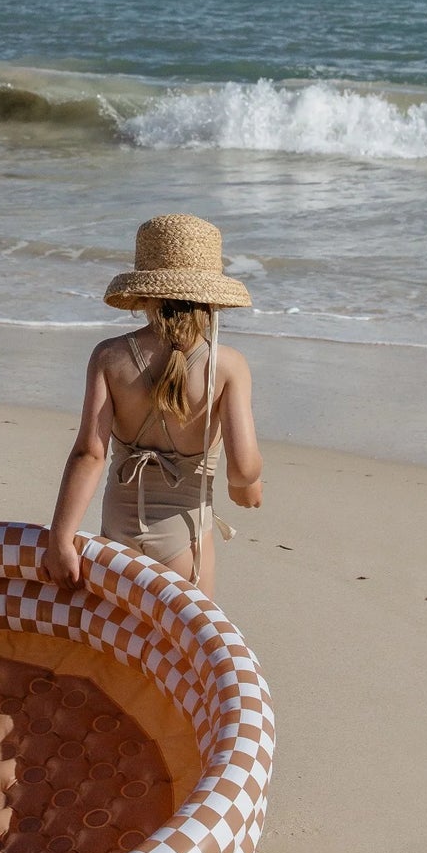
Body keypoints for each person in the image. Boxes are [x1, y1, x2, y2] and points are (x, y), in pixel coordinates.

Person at [46, 213, 263, 598]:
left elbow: (88, 454)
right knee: (185, 647)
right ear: (211, 298)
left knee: (121, 641)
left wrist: (61, 539)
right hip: (184, 535)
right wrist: (246, 486)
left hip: (119, 530)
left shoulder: (109, 357)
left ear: (144, 292)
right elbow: (244, 466)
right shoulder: (226, 365)